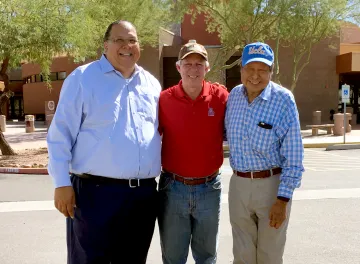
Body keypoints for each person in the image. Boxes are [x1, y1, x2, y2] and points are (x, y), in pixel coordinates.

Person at [47, 20, 161, 264]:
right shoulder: (83, 78)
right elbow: (60, 134)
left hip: (142, 196)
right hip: (94, 195)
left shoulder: (151, 84)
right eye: (119, 40)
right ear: (105, 45)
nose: (126, 46)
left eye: (132, 40)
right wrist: (61, 183)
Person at [225, 42, 304, 264]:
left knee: (269, 255)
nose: (255, 76)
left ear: (271, 72)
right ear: (241, 70)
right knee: (242, 255)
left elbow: (294, 155)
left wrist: (283, 199)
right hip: (238, 185)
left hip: (271, 186)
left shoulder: (283, 100)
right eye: (250, 69)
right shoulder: (234, 97)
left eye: (262, 70)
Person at [158, 40, 229, 264]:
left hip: (209, 187)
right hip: (173, 188)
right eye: (187, 63)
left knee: (207, 256)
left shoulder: (221, 97)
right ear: (178, 67)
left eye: (199, 64)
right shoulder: (164, 100)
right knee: (173, 258)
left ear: (207, 68)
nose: (193, 69)